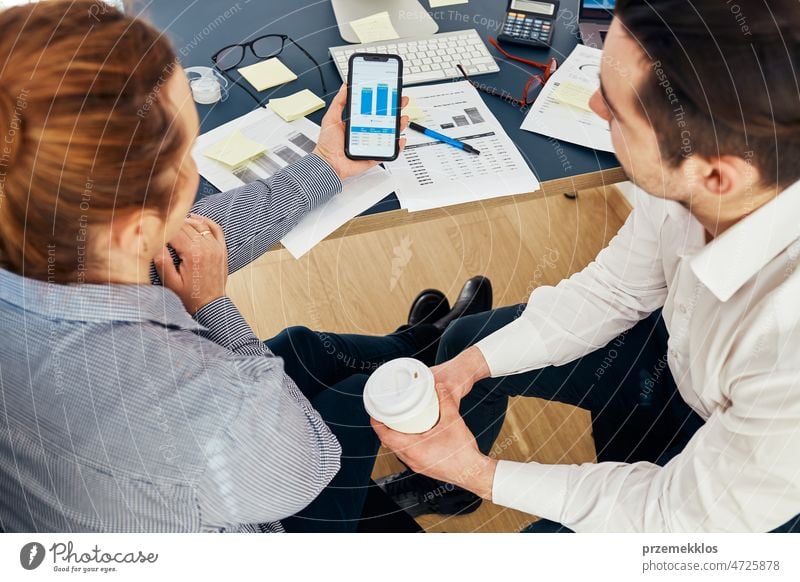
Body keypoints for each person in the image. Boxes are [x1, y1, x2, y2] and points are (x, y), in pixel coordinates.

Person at [0, 1, 493, 533]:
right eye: (183, 158)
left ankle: (419, 341)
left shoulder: (45, 232)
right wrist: (214, 308)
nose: (191, 180)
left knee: (304, 346)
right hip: (258, 507)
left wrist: (324, 166)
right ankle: (441, 476)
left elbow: (199, 234)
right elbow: (306, 465)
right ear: (138, 227)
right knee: (359, 402)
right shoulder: (196, 404)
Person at [374, 0, 800, 532]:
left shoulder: (790, 352)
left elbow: (673, 516)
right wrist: (469, 371)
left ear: (717, 176)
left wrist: (481, 472)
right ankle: (446, 489)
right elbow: (615, 291)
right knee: (465, 345)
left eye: (617, 111)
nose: (595, 105)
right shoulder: (708, 175)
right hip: (681, 358)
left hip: (755, 491)